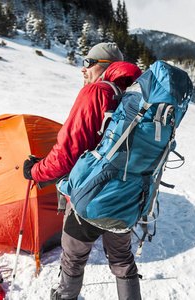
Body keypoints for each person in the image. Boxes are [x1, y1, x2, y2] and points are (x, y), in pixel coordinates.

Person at [23, 42, 143, 300]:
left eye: (89, 62)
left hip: (88, 199)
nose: (83, 68)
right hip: (127, 199)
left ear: (105, 66)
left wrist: (35, 171)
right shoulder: (134, 99)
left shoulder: (96, 93)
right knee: (123, 261)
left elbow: (66, 155)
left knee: (73, 259)